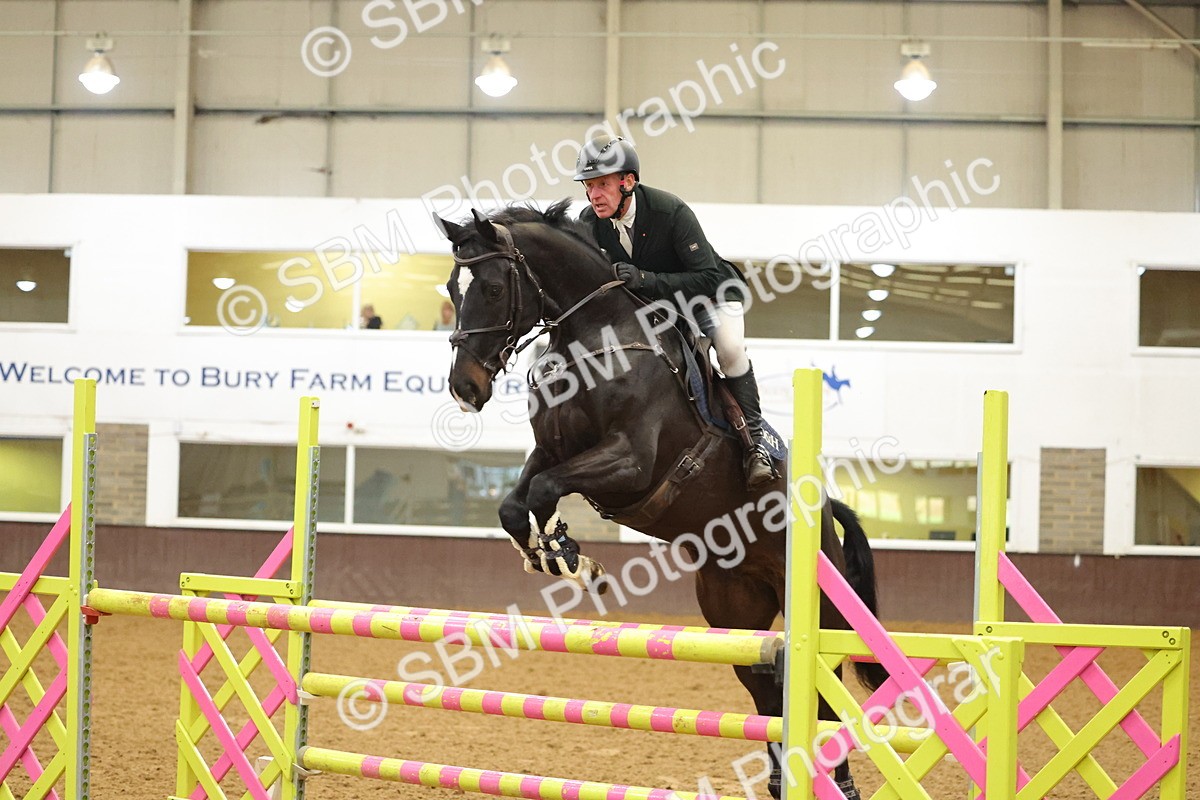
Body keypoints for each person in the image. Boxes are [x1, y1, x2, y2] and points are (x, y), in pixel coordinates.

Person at [574, 134, 774, 490]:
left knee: (728, 350)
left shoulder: (670, 211)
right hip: (660, 305)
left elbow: (707, 276)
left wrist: (646, 280)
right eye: (589, 186)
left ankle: (755, 445)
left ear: (628, 181)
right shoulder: (590, 221)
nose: (594, 196)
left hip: (710, 295)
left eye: (602, 185)